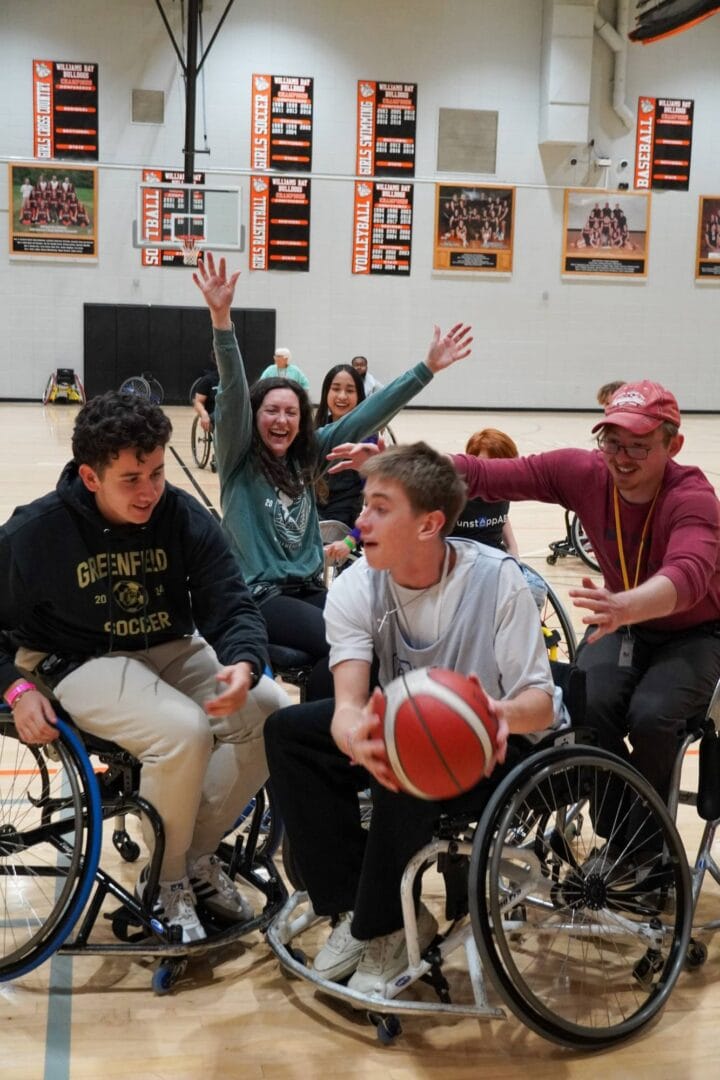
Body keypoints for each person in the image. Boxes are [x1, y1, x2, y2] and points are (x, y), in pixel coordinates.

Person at [264, 442, 556, 993]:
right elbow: (348, 704)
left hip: (502, 742)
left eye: (380, 508)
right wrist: (356, 737)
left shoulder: (498, 580)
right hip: (415, 731)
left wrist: (481, 715)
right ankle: (361, 908)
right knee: (289, 732)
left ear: (428, 525)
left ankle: (385, 926)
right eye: (365, 505)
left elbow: (540, 702)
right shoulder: (358, 584)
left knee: (409, 756)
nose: (360, 521)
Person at [0, 391, 289, 944]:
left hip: (168, 645)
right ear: (90, 477)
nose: (149, 491)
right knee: (183, 731)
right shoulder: (35, 532)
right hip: (78, 657)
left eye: (156, 473)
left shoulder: (179, 514)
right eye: (131, 479)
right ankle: (168, 881)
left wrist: (244, 661)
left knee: (270, 711)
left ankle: (193, 856)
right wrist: (15, 688)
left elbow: (230, 600)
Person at [449, 380, 720, 849]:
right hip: (623, 621)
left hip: (694, 631)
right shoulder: (585, 473)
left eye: (638, 446)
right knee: (585, 702)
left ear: (673, 446)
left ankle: (646, 852)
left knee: (652, 716)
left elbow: (689, 575)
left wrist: (626, 604)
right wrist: (397, 464)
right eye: (612, 443)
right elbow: (487, 474)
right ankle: (618, 840)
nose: (621, 458)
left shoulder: (692, 497)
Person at [192, 253, 472, 700]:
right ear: (254, 417)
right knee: (347, 645)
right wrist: (221, 320)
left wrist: (426, 370)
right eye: (271, 411)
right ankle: (318, 728)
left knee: (379, 642)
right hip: (262, 597)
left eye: (291, 413)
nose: (281, 420)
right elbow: (233, 389)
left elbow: (367, 414)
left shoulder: (308, 455)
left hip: (311, 588)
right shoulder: (239, 457)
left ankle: (321, 723)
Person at [451, 427, 547, 611]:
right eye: (487, 464)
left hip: (496, 562)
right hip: (464, 567)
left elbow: (502, 518)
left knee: (535, 587)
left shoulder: (502, 487)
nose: (493, 471)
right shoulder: (455, 495)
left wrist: (514, 553)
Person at [314, 364, 375, 528]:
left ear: (359, 396)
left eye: (350, 390)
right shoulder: (314, 431)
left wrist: (353, 538)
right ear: (326, 393)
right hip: (309, 521)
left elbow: (374, 502)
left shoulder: (367, 439)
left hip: (343, 528)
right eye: (336, 389)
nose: (342, 396)